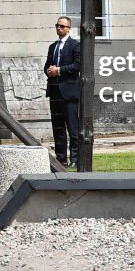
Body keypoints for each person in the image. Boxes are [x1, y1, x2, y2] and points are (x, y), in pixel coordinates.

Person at [44, 17, 82, 168]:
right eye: (57, 25)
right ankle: (61, 159)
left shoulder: (75, 45)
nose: (58, 28)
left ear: (68, 28)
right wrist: (49, 71)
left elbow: (77, 65)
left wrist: (58, 70)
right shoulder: (53, 46)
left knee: (72, 127)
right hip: (54, 92)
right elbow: (47, 65)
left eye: (62, 26)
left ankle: (75, 158)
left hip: (69, 91)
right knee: (58, 127)